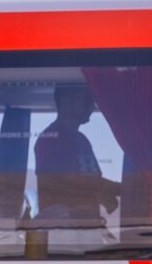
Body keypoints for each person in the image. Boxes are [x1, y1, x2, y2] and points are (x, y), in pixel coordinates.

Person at [34, 85, 119, 227]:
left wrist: (118, 190)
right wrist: (122, 189)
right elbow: (58, 186)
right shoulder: (50, 140)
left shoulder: (82, 140)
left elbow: (93, 180)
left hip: (85, 228)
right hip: (64, 233)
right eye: (84, 99)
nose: (90, 104)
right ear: (65, 102)